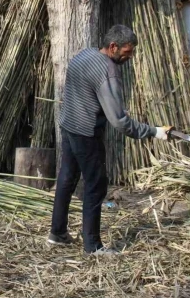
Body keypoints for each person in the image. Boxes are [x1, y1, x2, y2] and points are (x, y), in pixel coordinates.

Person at [48, 25, 173, 255]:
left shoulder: (84, 55)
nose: (130, 56)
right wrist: (154, 132)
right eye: (127, 51)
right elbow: (119, 121)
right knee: (95, 186)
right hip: (86, 133)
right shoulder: (107, 72)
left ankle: (57, 233)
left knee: (67, 178)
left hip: (68, 125)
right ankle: (93, 246)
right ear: (113, 46)